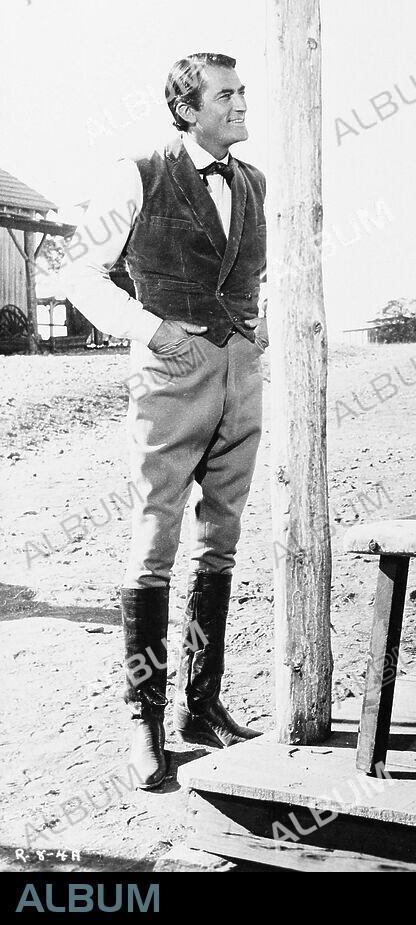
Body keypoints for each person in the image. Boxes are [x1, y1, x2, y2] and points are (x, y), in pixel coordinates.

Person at [64, 53, 267, 786]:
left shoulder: (253, 180)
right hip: (171, 373)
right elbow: (79, 273)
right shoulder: (139, 173)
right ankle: (143, 721)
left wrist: (256, 326)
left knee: (222, 538)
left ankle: (201, 705)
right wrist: (154, 332)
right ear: (187, 111)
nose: (240, 105)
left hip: (239, 373)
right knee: (154, 542)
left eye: (242, 92)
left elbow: (253, 271)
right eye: (225, 96)